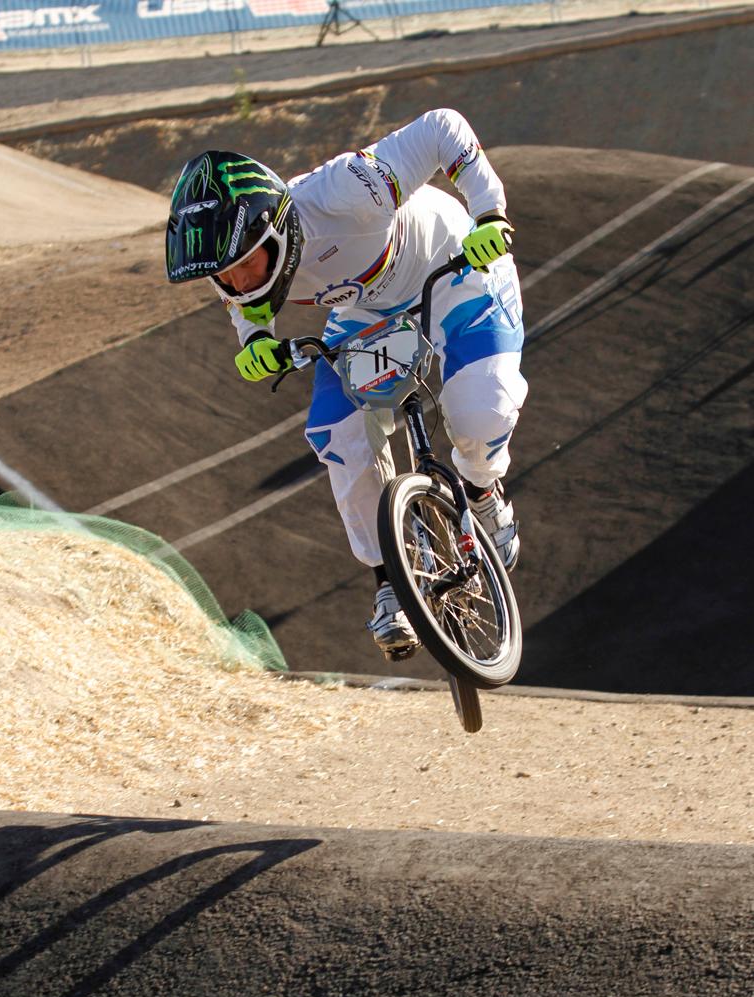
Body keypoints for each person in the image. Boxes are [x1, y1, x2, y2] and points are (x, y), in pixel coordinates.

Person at [165, 109, 527, 658]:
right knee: (339, 435)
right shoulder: (238, 268)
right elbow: (245, 306)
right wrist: (255, 338)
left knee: (481, 412)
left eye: (243, 266)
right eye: (222, 275)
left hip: (454, 268)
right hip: (366, 313)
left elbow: (442, 128)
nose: (236, 283)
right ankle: (393, 581)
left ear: (274, 232)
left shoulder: (348, 189)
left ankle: (481, 491)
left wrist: (489, 213)